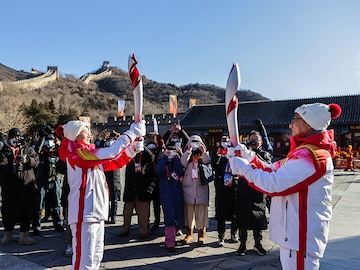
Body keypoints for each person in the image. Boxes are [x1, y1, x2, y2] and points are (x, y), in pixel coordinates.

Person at [227, 102, 342, 269]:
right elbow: (270, 169)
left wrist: (241, 167)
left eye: (295, 119)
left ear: (309, 123)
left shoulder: (315, 157)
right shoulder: (302, 152)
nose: (290, 125)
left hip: (302, 236)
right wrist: (246, 154)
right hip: (293, 234)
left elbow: (274, 184)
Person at [56, 119, 146, 270]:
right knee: (83, 261)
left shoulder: (89, 156)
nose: (90, 135)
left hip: (97, 212)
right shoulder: (76, 154)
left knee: (95, 257)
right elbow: (110, 152)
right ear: (75, 135)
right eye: (86, 132)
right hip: (83, 214)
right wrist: (132, 133)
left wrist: (132, 150)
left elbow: (115, 161)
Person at [234, 130, 272, 256]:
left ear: (261, 142)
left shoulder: (264, 154)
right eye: (251, 139)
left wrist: (252, 155)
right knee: (242, 217)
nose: (253, 141)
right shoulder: (242, 154)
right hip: (244, 188)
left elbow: (267, 166)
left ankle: (258, 243)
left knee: (258, 217)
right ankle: (242, 243)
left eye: (256, 139)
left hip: (258, 189)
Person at [0, 128, 40, 245]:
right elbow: (1, 165)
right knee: (8, 210)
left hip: (25, 183)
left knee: (26, 209)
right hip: (9, 185)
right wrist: (11, 168)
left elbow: (36, 161)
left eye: (18, 138)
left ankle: (24, 235)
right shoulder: (3, 150)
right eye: (14, 138)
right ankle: (8, 233)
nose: (16, 141)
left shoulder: (27, 148)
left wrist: (27, 160)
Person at [180, 135, 211, 246]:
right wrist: (188, 151)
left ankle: (201, 235)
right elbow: (182, 163)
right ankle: (189, 233)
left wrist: (204, 152)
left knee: (201, 212)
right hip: (189, 186)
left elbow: (208, 162)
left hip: (201, 185)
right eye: (192, 142)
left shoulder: (203, 154)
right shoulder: (187, 154)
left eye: (197, 142)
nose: (195, 145)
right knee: (189, 212)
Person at [119, 145, 155, 240]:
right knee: (127, 212)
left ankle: (143, 232)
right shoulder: (129, 154)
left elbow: (151, 157)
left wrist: (142, 146)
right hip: (130, 187)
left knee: (143, 213)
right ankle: (125, 229)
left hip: (142, 188)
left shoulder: (145, 156)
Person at [155, 144, 185, 251]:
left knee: (178, 214)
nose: (171, 153)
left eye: (173, 151)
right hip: (166, 192)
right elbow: (158, 171)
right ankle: (170, 242)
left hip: (177, 191)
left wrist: (176, 158)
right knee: (169, 217)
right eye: (169, 151)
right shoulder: (162, 160)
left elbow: (181, 172)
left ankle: (175, 234)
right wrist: (165, 157)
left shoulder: (176, 160)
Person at [212, 135, 239, 247]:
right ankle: (221, 236)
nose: (226, 143)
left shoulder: (235, 156)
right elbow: (214, 166)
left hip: (234, 187)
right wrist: (218, 154)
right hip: (222, 188)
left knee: (235, 213)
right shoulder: (220, 155)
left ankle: (233, 234)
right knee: (221, 214)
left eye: (228, 141)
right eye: (224, 141)